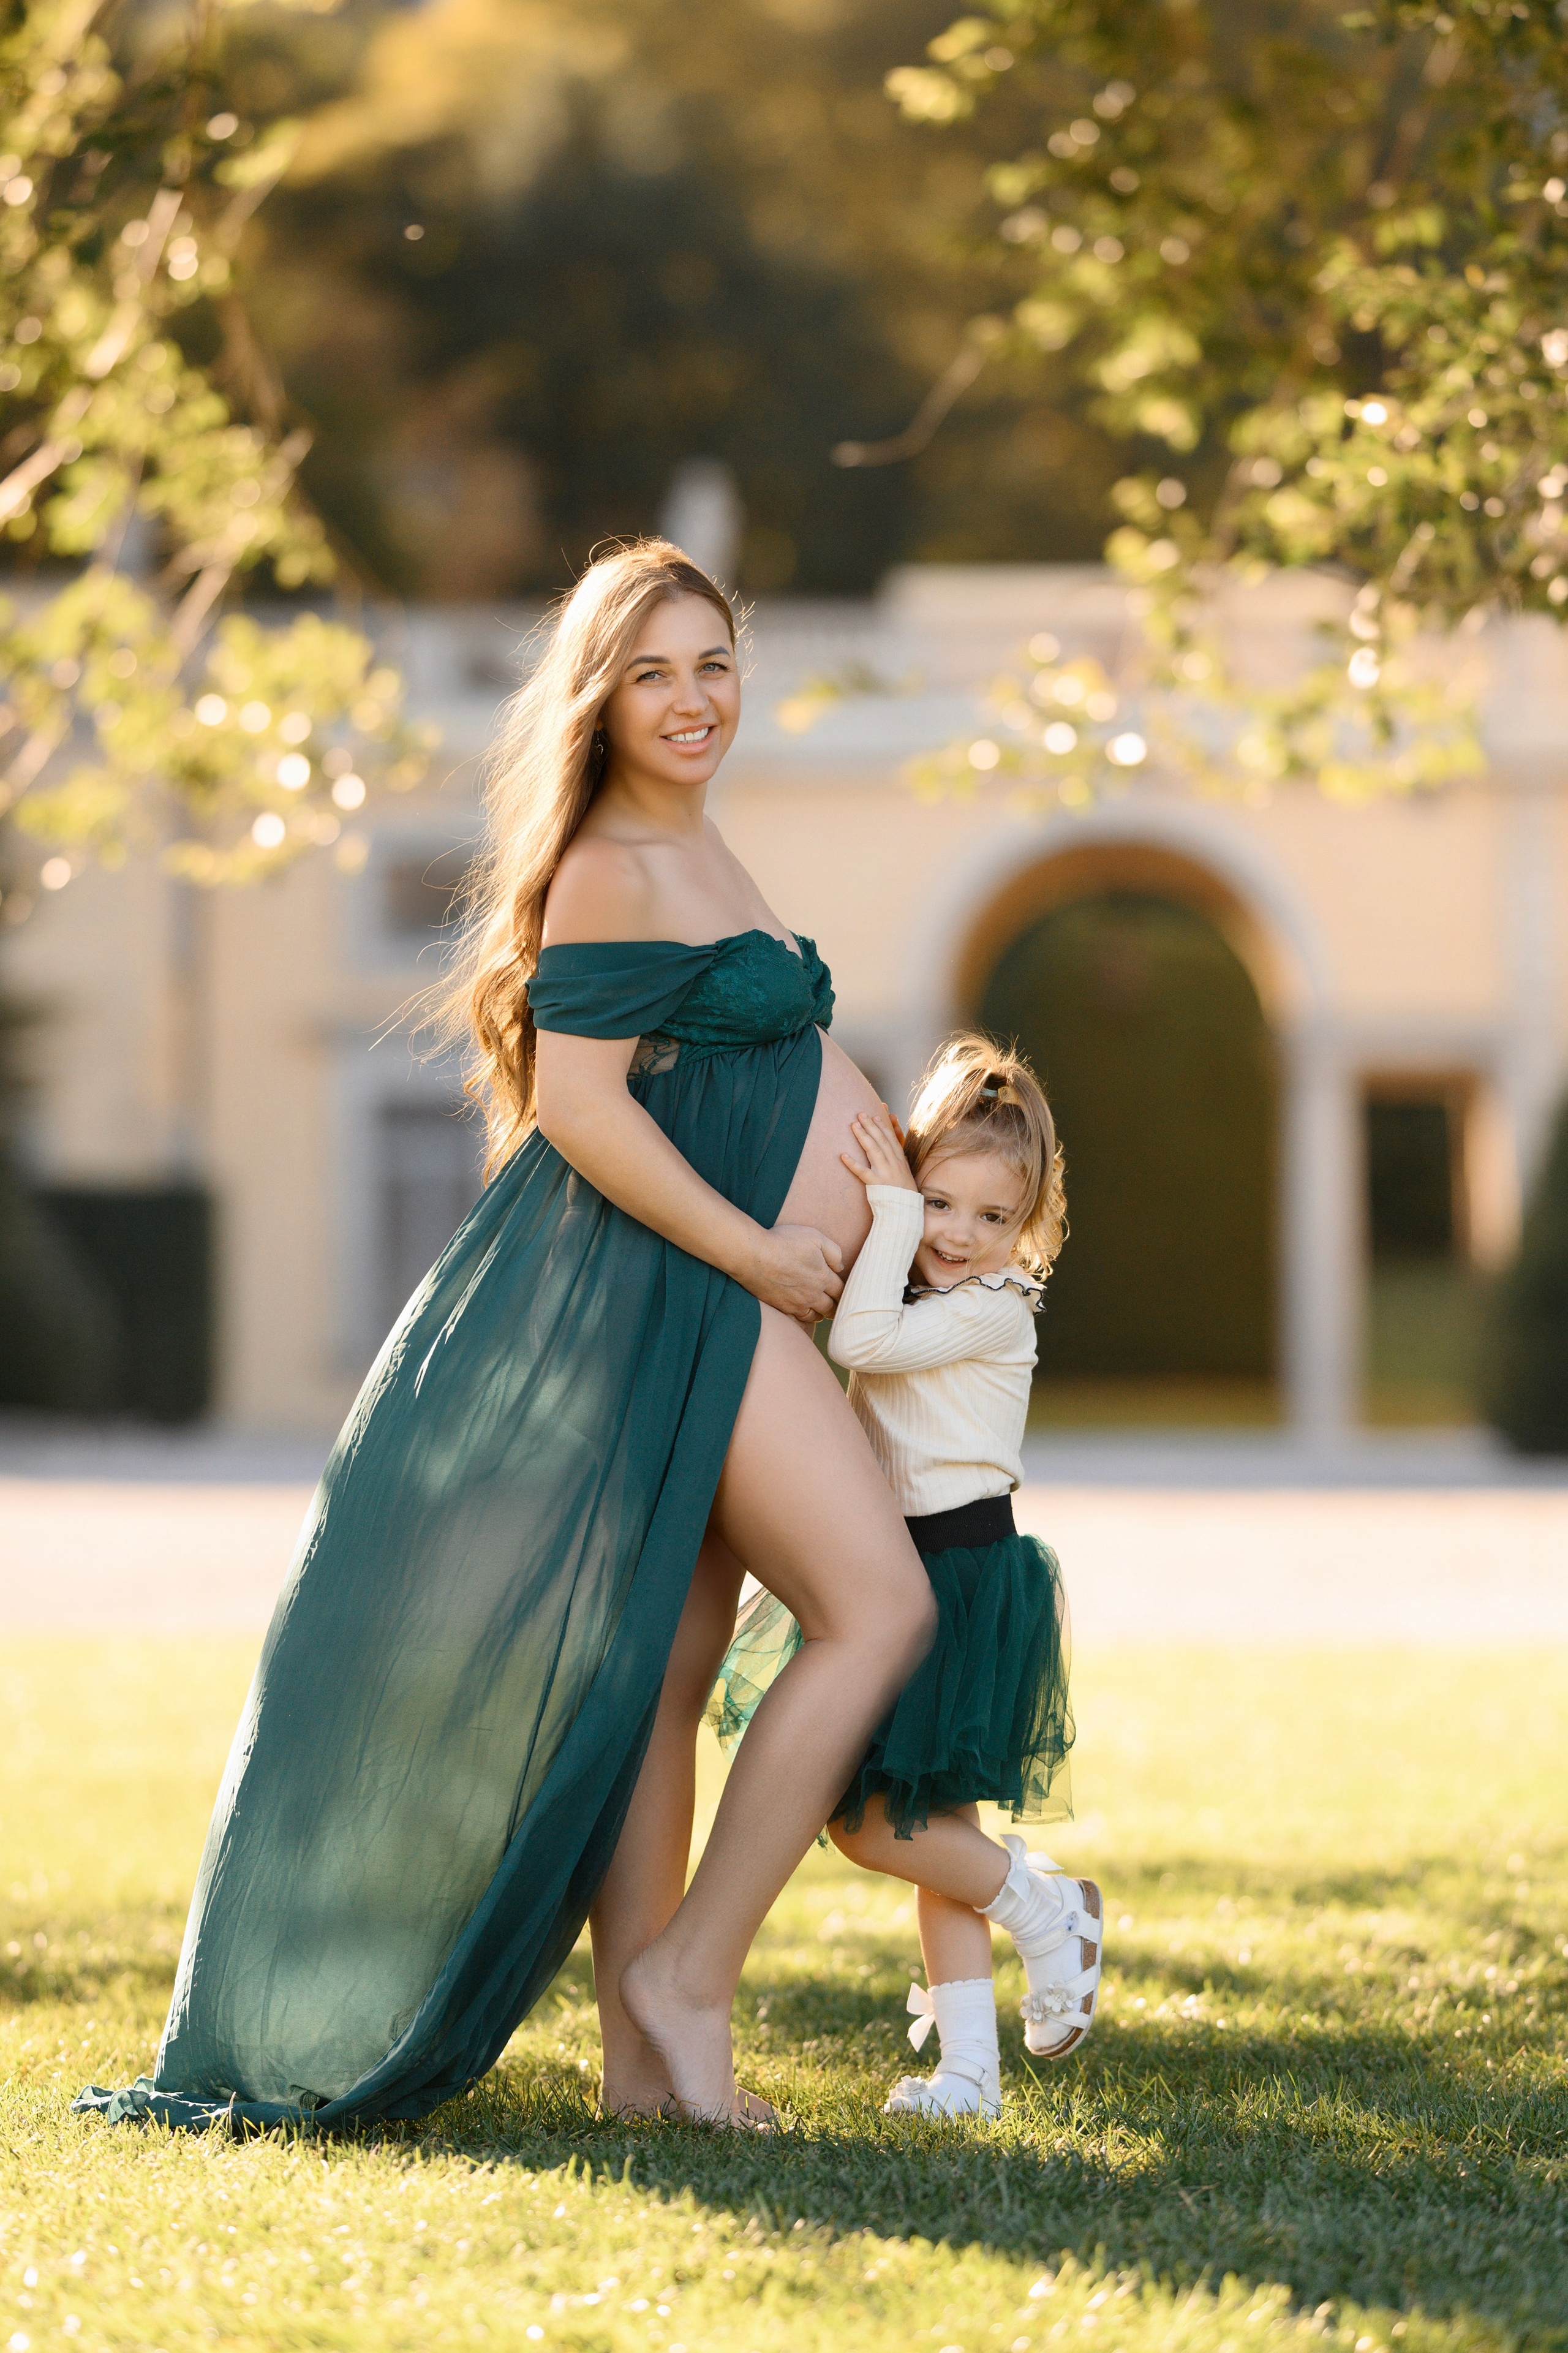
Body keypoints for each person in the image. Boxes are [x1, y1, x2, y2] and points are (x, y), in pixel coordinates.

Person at [75, 540, 932, 2135]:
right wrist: (762, 1251)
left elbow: (745, 1064)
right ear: (598, 701)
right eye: (652, 674)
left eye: (713, 665)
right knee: (877, 1607)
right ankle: (686, 1982)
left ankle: (642, 2072)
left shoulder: (700, 841)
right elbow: (579, 1107)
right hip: (685, 1287)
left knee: (669, 1666)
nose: (691, 700)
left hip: (725, 1290)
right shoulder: (612, 862)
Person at [709, 1038, 1101, 2120]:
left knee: (872, 1824)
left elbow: (864, 1337)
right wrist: (891, 1213)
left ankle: (1050, 1911)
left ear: (1027, 1222)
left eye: (991, 1215)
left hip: (960, 1576)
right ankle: (970, 2073)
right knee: (939, 1835)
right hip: (898, 1564)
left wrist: (889, 1211)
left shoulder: (996, 1305)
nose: (959, 1234)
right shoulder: (929, 1279)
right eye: (938, 1201)